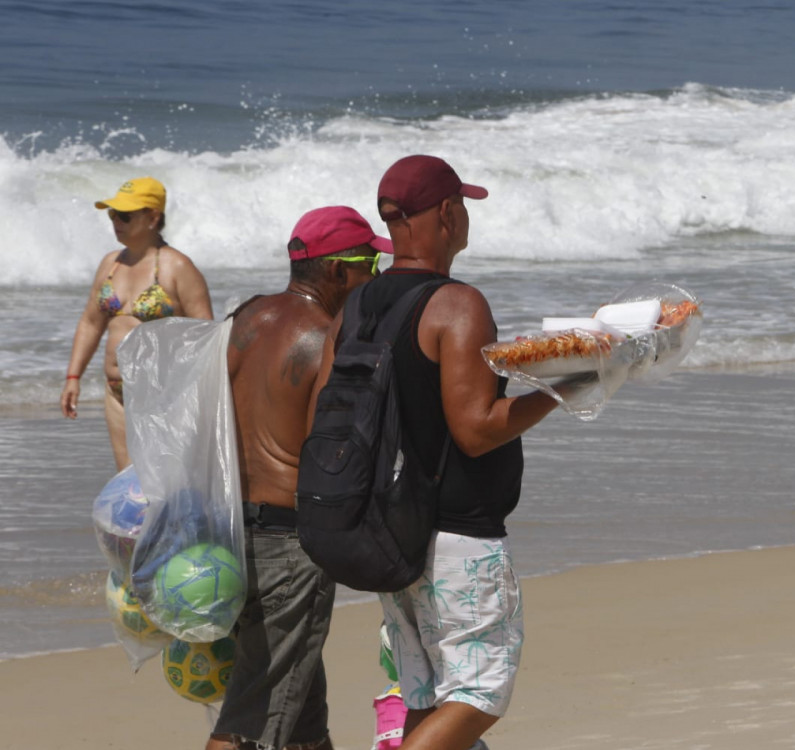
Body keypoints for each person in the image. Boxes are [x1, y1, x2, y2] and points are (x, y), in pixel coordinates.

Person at [313, 155, 561, 750]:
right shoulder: (457, 304)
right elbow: (476, 430)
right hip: (457, 538)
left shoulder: (354, 308)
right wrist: (561, 389)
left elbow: (324, 410)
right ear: (448, 214)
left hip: (389, 531)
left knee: (425, 696)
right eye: (464, 205)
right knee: (478, 695)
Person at [212, 206, 388, 750]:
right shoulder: (328, 338)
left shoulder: (242, 318)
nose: (375, 278)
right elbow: (330, 457)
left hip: (226, 536)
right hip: (288, 549)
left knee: (301, 711)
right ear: (338, 271)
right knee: (251, 720)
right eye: (370, 265)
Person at [61, 177, 213, 469]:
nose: (116, 221)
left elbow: (205, 334)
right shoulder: (110, 264)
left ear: (153, 216)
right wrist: (73, 377)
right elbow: (91, 323)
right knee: (126, 481)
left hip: (162, 391)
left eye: (125, 215)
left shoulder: (177, 266)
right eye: (113, 214)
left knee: (162, 484)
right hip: (116, 390)